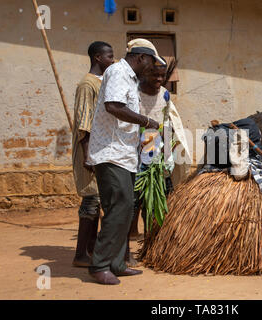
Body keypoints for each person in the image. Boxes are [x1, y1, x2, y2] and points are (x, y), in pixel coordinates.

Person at [87, 38, 165, 285]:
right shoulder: (119, 72)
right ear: (141, 58)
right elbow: (113, 106)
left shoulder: (129, 78)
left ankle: (117, 263)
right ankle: (99, 265)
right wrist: (146, 121)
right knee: (119, 207)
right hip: (111, 153)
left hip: (124, 154)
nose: (152, 68)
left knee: (123, 208)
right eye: (151, 62)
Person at [128, 61, 192, 247]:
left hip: (157, 146)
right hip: (136, 146)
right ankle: (131, 231)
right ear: (145, 73)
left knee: (159, 193)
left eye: (162, 76)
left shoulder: (164, 94)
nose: (159, 79)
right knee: (136, 194)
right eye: (154, 75)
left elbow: (167, 121)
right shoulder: (134, 93)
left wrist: (168, 151)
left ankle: (152, 236)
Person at [71, 41, 114, 267]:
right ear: (97, 57)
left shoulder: (102, 82)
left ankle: (91, 248)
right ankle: (80, 255)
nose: (112, 60)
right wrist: (88, 155)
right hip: (89, 151)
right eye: (109, 56)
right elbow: (83, 122)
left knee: (97, 201)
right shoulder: (87, 85)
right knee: (91, 200)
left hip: (101, 150)